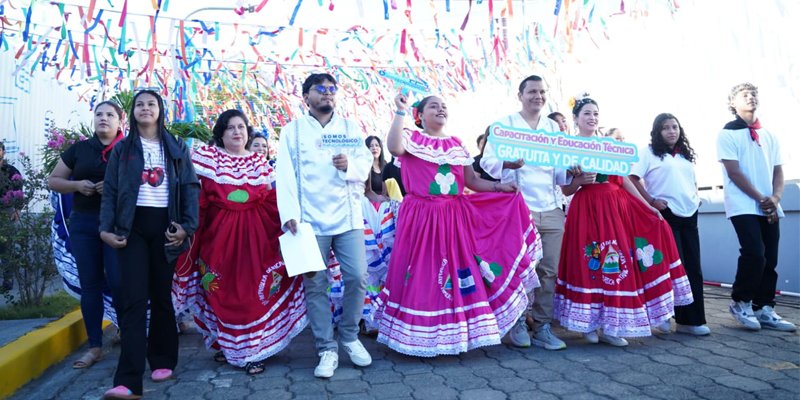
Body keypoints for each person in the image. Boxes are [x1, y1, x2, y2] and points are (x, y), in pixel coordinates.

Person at [371, 93, 540, 357]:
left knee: (456, 270)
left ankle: (454, 334)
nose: (440, 109)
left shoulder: (457, 144)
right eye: (433, 106)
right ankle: (418, 336)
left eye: (443, 106)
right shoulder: (410, 137)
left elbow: (472, 182)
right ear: (421, 115)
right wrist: (400, 111)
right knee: (422, 271)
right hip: (422, 216)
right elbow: (393, 148)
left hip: (453, 216)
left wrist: (498, 187)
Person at [173, 109, 307, 375]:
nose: (237, 132)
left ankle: (251, 351)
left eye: (241, 127)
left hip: (257, 240)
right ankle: (228, 345)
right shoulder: (207, 158)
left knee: (251, 294)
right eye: (230, 128)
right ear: (220, 134)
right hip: (217, 239)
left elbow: (272, 198)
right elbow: (191, 193)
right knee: (221, 293)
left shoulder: (259, 162)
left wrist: (289, 219)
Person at [553, 95, 693, 347]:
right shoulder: (568, 148)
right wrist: (579, 182)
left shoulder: (607, 144)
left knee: (615, 263)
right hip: (586, 209)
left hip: (614, 208)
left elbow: (625, 180)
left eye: (595, 113)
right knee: (590, 261)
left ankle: (612, 325)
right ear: (575, 118)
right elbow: (565, 190)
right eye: (586, 113)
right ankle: (590, 324)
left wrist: (647, 206)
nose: (592, 118)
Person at [100, 89, 199, 400]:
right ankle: (128, 380)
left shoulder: (175, 146)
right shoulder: (124, 149)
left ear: (160, 110)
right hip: (132, 230)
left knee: (161, 297)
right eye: (139, 104)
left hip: (166, 228)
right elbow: (111, 191)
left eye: (151, 104)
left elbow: (191, 188)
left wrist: (186, 227)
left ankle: (162, 359)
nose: (145, 108)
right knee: (132, 300)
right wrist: (105, 229)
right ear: (132, 112)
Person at [276, 73, 373, 379]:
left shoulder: (349, 127)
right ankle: (326, 348)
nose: (328, 94)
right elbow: (285, 173)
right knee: (315, 284)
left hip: (347, 217)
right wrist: (289, 213)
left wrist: (351, 166)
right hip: (308, 221)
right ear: (306, 97)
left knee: (357, 276)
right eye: (321, 90)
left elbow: (366, 161)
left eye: (332, 90)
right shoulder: (292, 131)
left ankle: (349, 335)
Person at [481, 75, 572, 350]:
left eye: (542, 92)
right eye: (532, 91)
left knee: (549, 270)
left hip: (551, 207)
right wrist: (508, 162)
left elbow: (561, 171)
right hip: (519, 208)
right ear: (520, 95)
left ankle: (542, 326)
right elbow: (487, 161)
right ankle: (517, 321)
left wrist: (573, 170)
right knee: (521, 268)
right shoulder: (504, 125)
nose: (538, 96)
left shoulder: (552, 127)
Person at [48, 101, 125, 368]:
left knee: (119, 281)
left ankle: (126, 332)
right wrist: (77, 185)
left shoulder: (128, 150)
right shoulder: (79, 150)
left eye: (110, 115)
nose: (103, 118)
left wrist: (114, 189)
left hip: (117, 225)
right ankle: (94, 346)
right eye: (99, 114)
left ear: (120, 121)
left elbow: (144, 185)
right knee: (90, 285)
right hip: (84, 223)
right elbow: (53, 180)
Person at [717, 83, 795, 332]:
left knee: (770, 257)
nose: (751, 97)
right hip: (743, 204)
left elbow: (778, 170)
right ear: (733, 102)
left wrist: (776, 197)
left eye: (754, 94)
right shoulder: (727, 133)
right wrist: (761, 197)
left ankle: (765, 307)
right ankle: (741, 302)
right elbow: (733, 171)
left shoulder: (768, 135)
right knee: (754, 253)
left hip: (770, 205)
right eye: (744, 95)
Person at [630, 113, 709, 336]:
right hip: (666, 215)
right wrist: (651, 201)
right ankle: (663, 314)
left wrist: (695, 196)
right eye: (666, 128)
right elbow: (633, 178)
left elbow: (690, 180)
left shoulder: (684, 155)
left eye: (675, 127)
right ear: (657, 131)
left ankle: (691, 320)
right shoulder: (648, 153)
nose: (671, 131)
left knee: (693, 267)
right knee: (672, 267)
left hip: (690, 214)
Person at [0, 141, 22, 291]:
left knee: (6, 248)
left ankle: (7, 282)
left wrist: (18, 210)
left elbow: (19, 190)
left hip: (6, 212)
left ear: (3, 152)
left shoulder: (11, 170)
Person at [365, 135, 388, 203]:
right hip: (370, 204)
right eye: (371, 146)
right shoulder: (365, 166)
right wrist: (378, 199)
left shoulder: (385, 164)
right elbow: (366, 191)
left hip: (385, 204)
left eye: (377, 145)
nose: (374, 148)